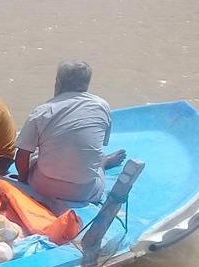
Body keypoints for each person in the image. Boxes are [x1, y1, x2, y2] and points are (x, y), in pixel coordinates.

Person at [15, 60, 127, 208]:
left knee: (35, 151)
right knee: (96, 158)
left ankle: (102, 162)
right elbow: (93, 146)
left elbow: (21, 156)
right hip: (84, 192)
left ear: (58, 82)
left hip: (43, 188)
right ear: (87, 84)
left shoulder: (42, 112)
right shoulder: (102, 107)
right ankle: (104, 164)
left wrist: (24, 181)